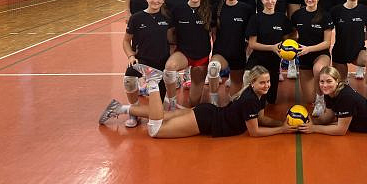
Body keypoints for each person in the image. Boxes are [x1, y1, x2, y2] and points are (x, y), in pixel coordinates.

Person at [100, 65, 297, 138]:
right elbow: (254, 132)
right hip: (206, 121)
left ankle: (120, 108)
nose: (267, 85)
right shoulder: (250, 100)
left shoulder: (258, 95)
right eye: (262, 82)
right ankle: (153, 82)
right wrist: (282, 130)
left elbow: (262, 119)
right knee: (155, 130)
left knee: (165, 116)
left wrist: (282, 123)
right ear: (252, 83)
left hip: (209, 112)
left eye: (268, 82)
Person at [121, 0, 174, 128]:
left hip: (161, 63)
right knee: (129, 79)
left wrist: (171, 60)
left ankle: (163, 102)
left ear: (163, 0)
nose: (155, 1)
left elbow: (172, 42)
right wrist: (131, 56)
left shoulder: (167, 19)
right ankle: (134, 111)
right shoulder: (136, 18)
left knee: (159, 109)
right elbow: (126, 41)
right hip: (142, 61)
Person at [163, 0, 213, 110]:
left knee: (193, 103)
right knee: (169, 68)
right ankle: (172, 104)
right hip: (183, 53)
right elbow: (171, 34)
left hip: (201, 57)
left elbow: (213, 34)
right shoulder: (178, 10)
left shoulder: (209, 11)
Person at [330, 0, 367, 100]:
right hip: (340, 52)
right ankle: (345, 87)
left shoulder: (365, 10)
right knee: (341, 89)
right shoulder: (336, 11)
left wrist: (360, 37)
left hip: (358, 52)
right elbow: (327, 29)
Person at [207, 0, 255, 105]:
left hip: (238, 52)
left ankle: (232, 105)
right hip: (221, 52)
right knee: (213, 68)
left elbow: (250, 33)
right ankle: (214, 101)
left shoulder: (246, 9)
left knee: (235, 96)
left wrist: (247, 51)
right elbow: (213, 31)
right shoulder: (217, 8)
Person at [291, 0, 333, 116]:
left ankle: (320, 101)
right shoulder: (297, 15)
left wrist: (309, 49)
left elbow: (327, 43)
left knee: (318, 69)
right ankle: (318, 97)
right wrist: (290, 47)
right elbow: (292, 36)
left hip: (320, 54)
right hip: (303, 56)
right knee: (309, 99)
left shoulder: (325, 16)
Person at [245, 0, 293, 104]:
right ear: (262, 0)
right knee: (247, 78)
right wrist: (271, 47)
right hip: (257, 59)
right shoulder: (256, 18)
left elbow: (288, 40)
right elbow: (252, 44)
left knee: (270, 100)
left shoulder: (282, 18)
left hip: (274, 62)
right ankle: (247, 106)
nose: (270, 1)